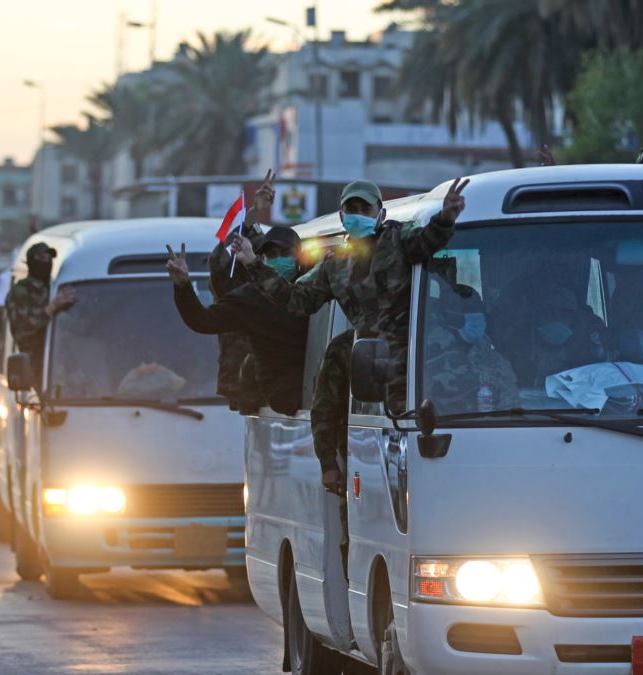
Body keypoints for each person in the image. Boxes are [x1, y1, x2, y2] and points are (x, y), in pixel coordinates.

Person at [234, 177, 468, 492]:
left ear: (380, 214)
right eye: (351, 209)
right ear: (343, 217)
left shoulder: (397, 241)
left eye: (364, 208)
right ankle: (330, 466)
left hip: (415, 356)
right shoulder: (335, 264)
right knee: (331, 376)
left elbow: (426, 240)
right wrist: (252, 263)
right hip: (367, 361)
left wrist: (446, 217)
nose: (357, 214)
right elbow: (295, 299)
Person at [166, 225, 309, 416]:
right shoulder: (251, 297)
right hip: (284, 391)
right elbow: (202, 320)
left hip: (313, 377)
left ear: (299, 255)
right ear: (262, 259)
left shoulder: (310, 286)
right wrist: (183, 287)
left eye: (285, 253)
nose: (278, 259)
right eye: (272, 255)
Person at [208, 170, 276, 412]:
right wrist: (253, 214)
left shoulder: (276, 283)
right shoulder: (230, 286)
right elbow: (218, 266)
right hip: (242, 385)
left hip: (276, 385)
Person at [424, 283, 519, 414]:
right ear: (450, 316)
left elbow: (511, 412)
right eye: (467, 310)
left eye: (478, 310)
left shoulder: (496, 362)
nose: (476, 316)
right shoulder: (425, 357)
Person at [5, 242, 74, 382]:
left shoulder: (54, 288)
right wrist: (51, 308)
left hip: (61, 361)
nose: (46, 262)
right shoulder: (21, 291)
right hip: (35, 367)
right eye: (42, 258)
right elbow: (21, 329)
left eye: (49, 258)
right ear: (31, 262)